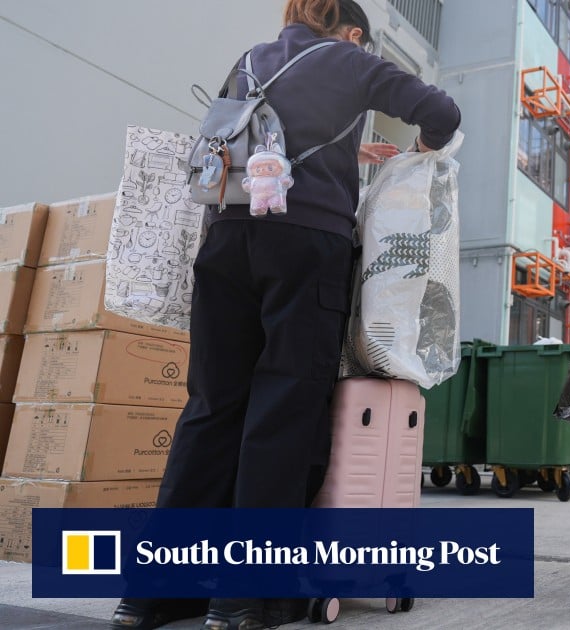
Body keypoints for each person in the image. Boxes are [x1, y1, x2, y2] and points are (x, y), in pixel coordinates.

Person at [109, 1, 460, 628]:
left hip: (226, 242)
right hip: (304, 250)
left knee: (211, 409)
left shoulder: (249, 63)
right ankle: (242, 599)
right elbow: (442, 113)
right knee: (281, 411)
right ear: (351, 30)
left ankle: (148, 596)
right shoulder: (351, 61)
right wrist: (418, 152)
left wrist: (350, 156)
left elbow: (258, 146)